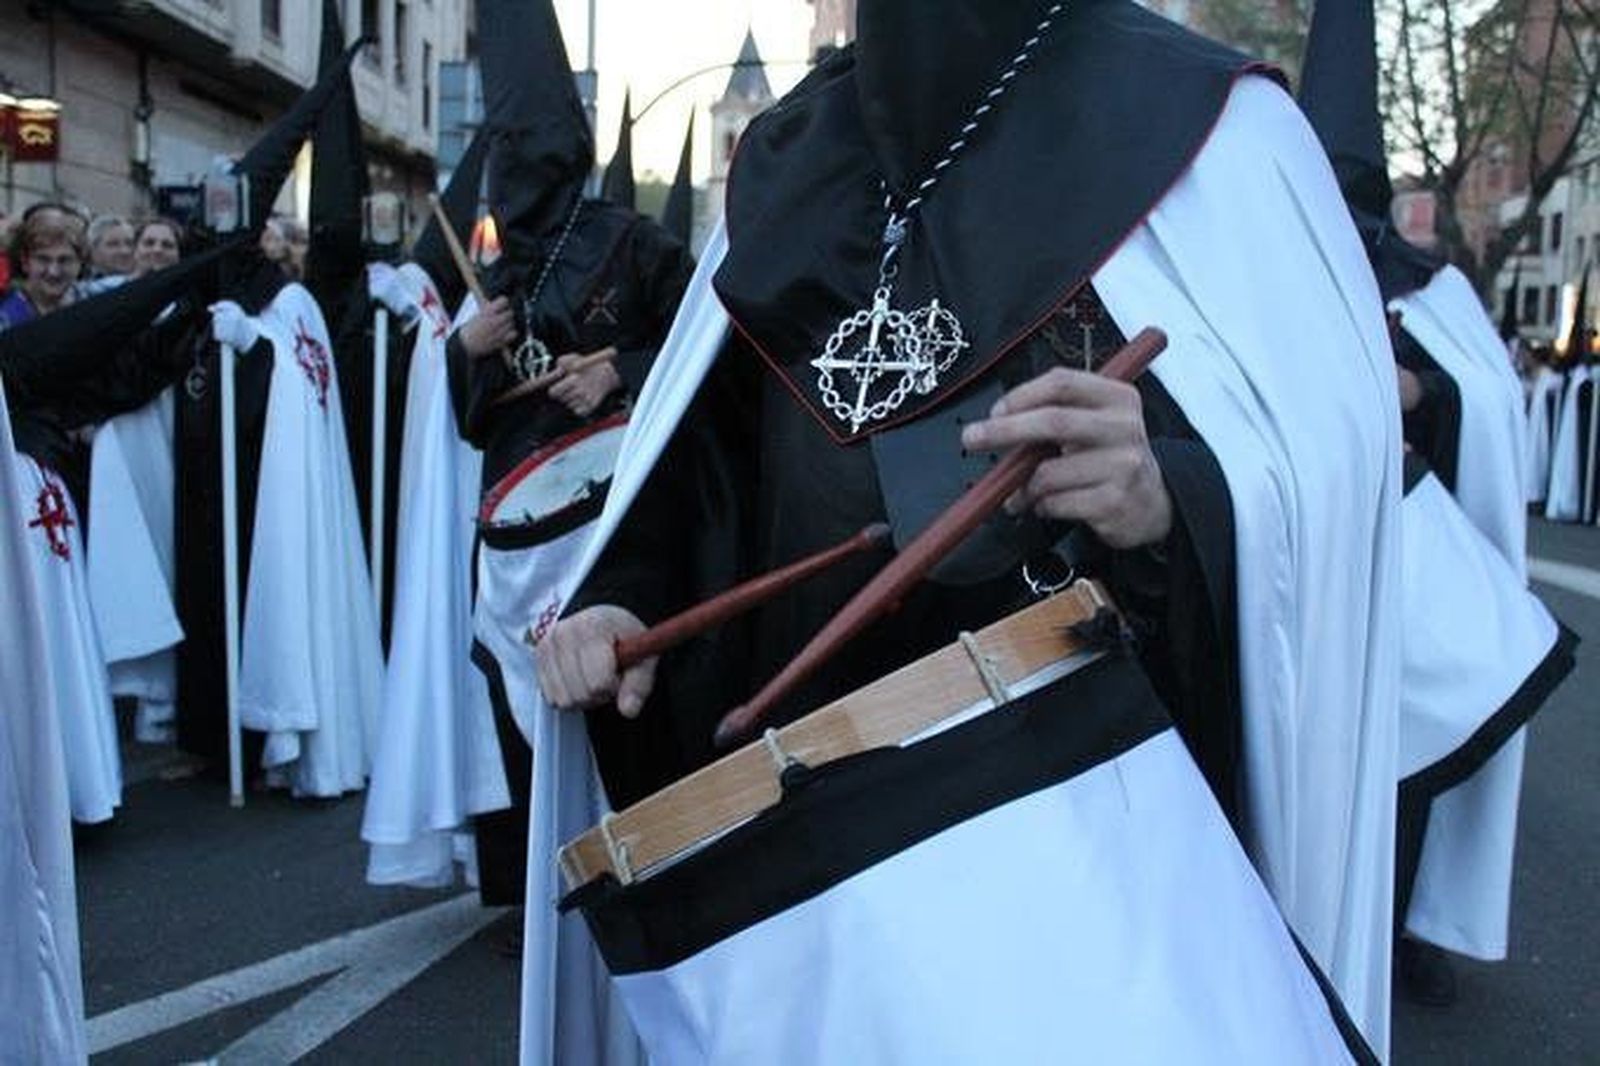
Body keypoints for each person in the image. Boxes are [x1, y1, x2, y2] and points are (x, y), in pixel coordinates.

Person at [533, 0, 1401, 1060]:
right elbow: (700, 459)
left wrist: (1169, 491)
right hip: (810, 832)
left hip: (1089, 829)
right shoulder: (788, 152)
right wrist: (623, 596)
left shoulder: (1217, 130)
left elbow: (1331, 459)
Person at [1299, 0, 1578, 1007]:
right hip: (1306, 558)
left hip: (1410, 556)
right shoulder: (1264, 261)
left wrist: (1420, 389)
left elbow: (1487, 402)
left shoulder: (1430, 286)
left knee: (1410, 770)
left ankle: (1402, 923)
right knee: (1308, 764)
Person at [446, 0, 693, 916]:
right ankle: (526, 888)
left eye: (533, 145)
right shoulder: (493, 262)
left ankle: (639, 861)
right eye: (506, 147)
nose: (517, 166)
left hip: (606, 517)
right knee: (510, 694)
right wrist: (462, 353)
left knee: (607, 684)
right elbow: (471, 421)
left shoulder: (632, 243)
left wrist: (620, 372)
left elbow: (705, 348)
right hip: (509, 520)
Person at [0, 211, 86, 329]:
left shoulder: (97, 307)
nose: (53, 271)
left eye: (64, 260)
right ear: (25, 263)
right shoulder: (5, 316)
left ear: (80, 262)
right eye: (43, 259)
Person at [87, 215, 136, 279]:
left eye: (129, 243)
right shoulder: (81, 287)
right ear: (93, 250)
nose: (125, 251)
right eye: (113, 244)